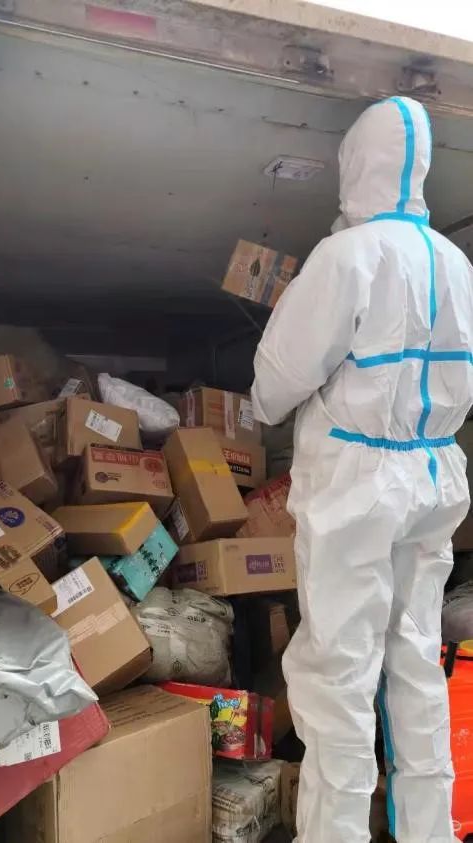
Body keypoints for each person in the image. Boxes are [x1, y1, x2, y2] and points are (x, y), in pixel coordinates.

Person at [251, 97, 473, 843]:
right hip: (434, 473)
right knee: (414, 658)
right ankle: (427, 831)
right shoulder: (457, 263)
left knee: (338, 671)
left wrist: (261, 408)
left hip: (356, 481)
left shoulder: (347, 254)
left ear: (356, 164)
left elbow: (278, 378)